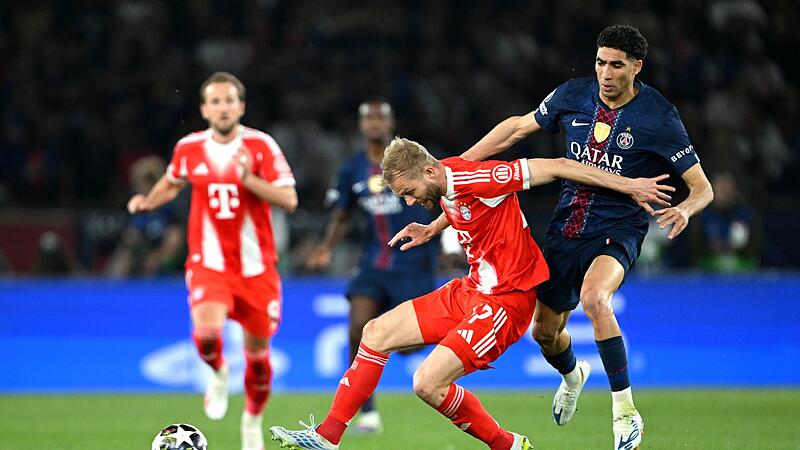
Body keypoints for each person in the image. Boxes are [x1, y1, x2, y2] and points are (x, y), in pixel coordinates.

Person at [268, 137, 673, 450]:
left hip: (507, 300)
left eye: (407, 192)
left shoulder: (482, 178)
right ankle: (327, 436)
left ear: (428, 171)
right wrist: (431, 229)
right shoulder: (444, 184)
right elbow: (455, 203)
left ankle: (507, 444)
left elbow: (559, 165)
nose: (408, 202)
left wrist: (629, 185)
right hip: (471, 289)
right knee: (374, 332)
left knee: (427, 383)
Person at [452, 25, 714, 450]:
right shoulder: (573, 95)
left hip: (619, 229)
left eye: (616, 65)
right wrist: (458, 168)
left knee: (595, 298)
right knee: (544, 333)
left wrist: (685, 208)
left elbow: (703, 187)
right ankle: (573, 375)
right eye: (600, 62)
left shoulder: (659, 117)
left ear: (636, 67)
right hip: (565, 230)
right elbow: (517, 129)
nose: (605, 73)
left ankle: (626, 412)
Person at [127, 71, 297, 450]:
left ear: (241, 106)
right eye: (215, 101)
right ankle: (218, 372)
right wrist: (148, 202)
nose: (223, 107)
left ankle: (251, 423)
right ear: (204, 109)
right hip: (209, 263)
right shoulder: (189, 148)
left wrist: (249, 179)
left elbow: (289, 200)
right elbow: (172, 181)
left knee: (257, 357)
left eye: (229, 100)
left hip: (256, 270)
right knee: (206, 335)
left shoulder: (261, 146)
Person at [305, 98, 447, 434]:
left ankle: (394, 343)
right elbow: (341, 215)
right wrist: (325, 248)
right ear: (360, 125)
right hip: (374, 262)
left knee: (412, 344)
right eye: (368, 118)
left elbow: (447, 197)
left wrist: (449, 242)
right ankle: (367, 412)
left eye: (380, 117)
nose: (374, 124)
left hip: (416, 263)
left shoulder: (418, 164)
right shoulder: (352, 168)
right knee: (357, 327)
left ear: (390, 122)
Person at [107, 156, 185, 278]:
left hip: (170, 272)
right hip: (140, 264)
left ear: (152, 183)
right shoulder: (137, 209)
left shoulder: (171, 209)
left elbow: (175, 241)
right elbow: (131, 238)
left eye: (138, 183)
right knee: (123, 255)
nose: (134, 188)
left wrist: (156, 257)